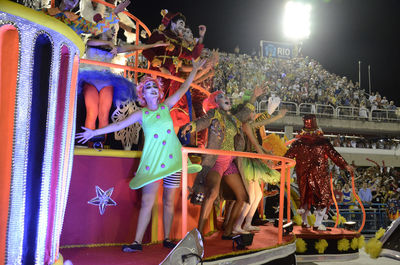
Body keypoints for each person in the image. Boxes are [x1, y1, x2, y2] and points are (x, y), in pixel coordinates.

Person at [76, 59, 205, 252]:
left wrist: (194, 70)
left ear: (159, 92)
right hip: (153, 163)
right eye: (148, 87)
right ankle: (137, 242)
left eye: (155, 86)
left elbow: (184, 87)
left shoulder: (165, 106)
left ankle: (168, 238)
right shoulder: (141, 114)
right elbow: (118, 125)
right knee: (147, 202)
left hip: (175, 161)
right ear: (143, 94)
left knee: (169, 200)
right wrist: (93, 133)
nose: (152, 88)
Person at [180, 87, 264, 239]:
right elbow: (202, 122)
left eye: (227, 96)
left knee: (243, 197)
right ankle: (198, 235)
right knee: (211, 193)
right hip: (217, 162)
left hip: (231, 163)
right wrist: (191, 126)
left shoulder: (233, 119)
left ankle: (228, 232)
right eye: (222, 96)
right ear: (215, 103)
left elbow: (245, 114)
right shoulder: (214, 114)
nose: (227, 98)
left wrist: (254, 96)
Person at [78, 24, 168, 147]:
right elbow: (91, 42)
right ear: (103, 29)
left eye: (115, 30)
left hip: (107, 82)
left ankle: (99, 144)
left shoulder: (114, 48)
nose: (115, 32)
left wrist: (153, 45)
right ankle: (87, 144)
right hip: (91, 80)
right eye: (113, 30)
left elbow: (135, 47)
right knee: (92, 112)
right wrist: (110, 44)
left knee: (103, 113)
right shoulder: (91, 41)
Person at [142, 10, 206, 137]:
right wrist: (160, 66)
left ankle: (170, 144)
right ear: (172, 23)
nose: (182, 28)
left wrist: (202, 36)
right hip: (158, 79)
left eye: (183, 25)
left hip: (173, 82)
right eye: (180, 24)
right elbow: (146, 50)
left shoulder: (178, 44)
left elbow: (193, 55)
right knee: (153, 113)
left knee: (174, 117)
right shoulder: (159, 34)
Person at [284, 114, 354, 230]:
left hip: (303, 176)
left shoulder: (298, 143)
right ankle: (317, 224)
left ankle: (305, 223)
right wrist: (345, 165)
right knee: (323, 198)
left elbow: (287, 157)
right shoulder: (323, 142)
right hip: (320, 176)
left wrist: (276, 166)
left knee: (305, 198)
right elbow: (334, 155)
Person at [232, 106, 286, 234]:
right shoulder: (245, 125)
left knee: (258, 195)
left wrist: (278, 116)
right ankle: (237, 225)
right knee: (250, 195)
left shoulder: (249, 125)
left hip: (252, 160)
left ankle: (247, 223)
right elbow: (255, 145)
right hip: (246, 161)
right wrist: (266, 159)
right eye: (252, 112)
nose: (254, 114)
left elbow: (261, 125)